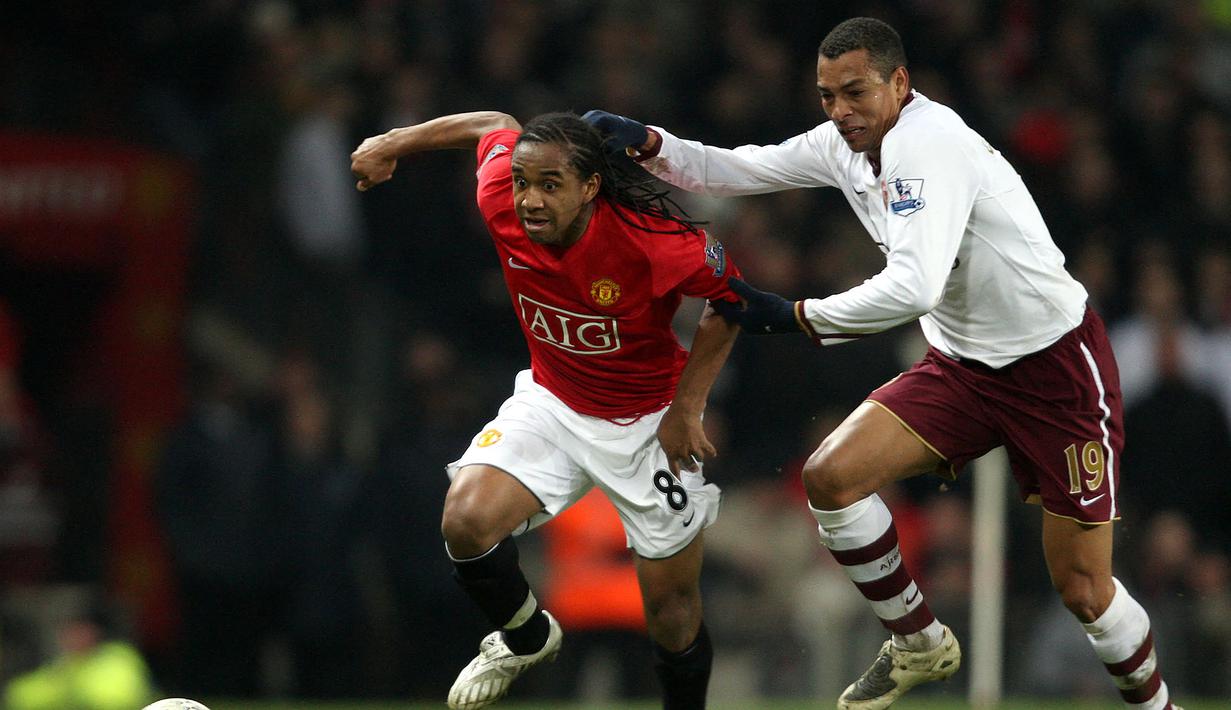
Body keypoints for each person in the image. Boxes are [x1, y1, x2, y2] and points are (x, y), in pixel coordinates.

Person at [586, 16, 1181, 710]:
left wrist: (796, 315)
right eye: (826, 96)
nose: (839, 111)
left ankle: (1157, 706)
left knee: (1081, 589)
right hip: (963, 365)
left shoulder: (931, 146)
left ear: (899, 83)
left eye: (854, 93)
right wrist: (652, 144)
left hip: (1054, 366)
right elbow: (743, 166)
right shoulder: (844, 142)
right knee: (830, 478)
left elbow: (914, 286)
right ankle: (918, 640)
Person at [350, 110, 742, 710]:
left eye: (550, 185)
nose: (529, 199)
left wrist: (688, 408)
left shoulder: (653, 243)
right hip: (553, 403)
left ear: (589, 187)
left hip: (647, 424)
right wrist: (392, 143)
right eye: (522, 182)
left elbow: (730, 301)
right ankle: (528, 636)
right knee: (465, 521)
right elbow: (492, 124)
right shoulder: (502, 205)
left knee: (670, 610)